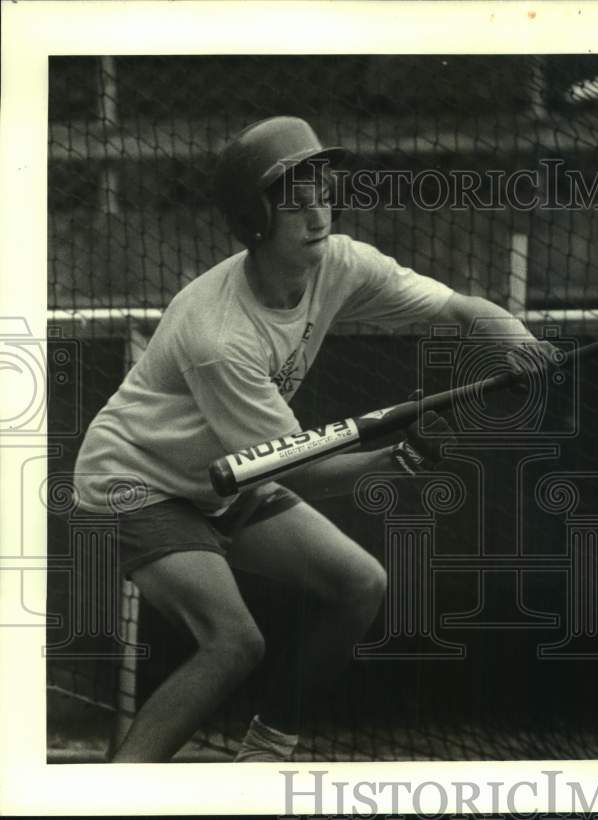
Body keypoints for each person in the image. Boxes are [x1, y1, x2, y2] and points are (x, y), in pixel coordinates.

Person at [73, 116, 555, 762]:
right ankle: (113, 796)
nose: (316, 210)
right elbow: (296, 469)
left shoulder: (340, 264)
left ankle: (266, 755)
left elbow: (457, 308)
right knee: (233, 642)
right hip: (137, 481)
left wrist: (520, 345)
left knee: (361, 584)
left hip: (224, 472)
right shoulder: (219, 335)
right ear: (255, 218)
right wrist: (394, 460)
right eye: (294, 198)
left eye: (321, 190)